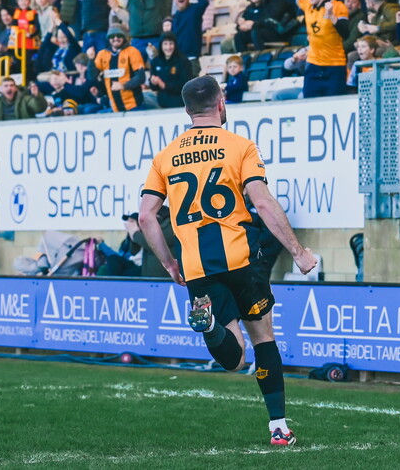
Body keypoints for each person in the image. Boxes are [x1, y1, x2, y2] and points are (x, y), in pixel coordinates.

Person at [138, 75, 317, 446]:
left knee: (234, 358)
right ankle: (279, 428)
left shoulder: (165, 156)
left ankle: (208, 328)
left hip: (198, 267)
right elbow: (263, 202)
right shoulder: (240, 146)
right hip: (241, 257)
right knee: (263, 337)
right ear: (220, 103)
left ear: (187, 110)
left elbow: (145, 217)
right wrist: (299, 253)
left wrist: (172, 264)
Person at [266, 0, 349, 97]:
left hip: (334, 65)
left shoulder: (338, 7)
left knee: (334, 105)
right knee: (310, 102)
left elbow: (345, 33)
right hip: (314, 65)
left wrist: (332, 16)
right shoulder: (307, 5)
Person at [93, 25, 148, 112]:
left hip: (134, 106)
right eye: (112, 36)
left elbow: (141, 77)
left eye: (119, 35)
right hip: (115, 108)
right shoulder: (102, 55)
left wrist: (123, 85)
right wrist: (90, 60)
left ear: (124, 37)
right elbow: (92, 76)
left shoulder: (132, 51)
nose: (115, 38)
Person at [150, 33, 193, 108]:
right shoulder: (156, 61)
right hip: (162, 105)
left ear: (175, 45)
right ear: (161, 45)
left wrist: (164, 85)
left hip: (180, 105)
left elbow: (186, 85)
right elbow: (153, 87)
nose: (168, 47)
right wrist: (153, 82)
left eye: (171, 44)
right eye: (165, 44)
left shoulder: (183, 61)